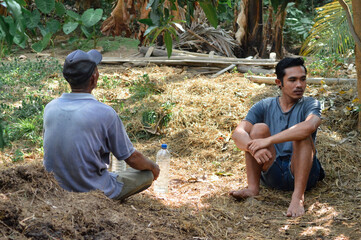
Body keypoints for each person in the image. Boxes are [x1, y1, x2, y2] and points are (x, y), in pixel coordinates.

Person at [43, 49, 160, 201]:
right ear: (94, 78)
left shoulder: (50, 107)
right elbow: (132, 158)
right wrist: (153, 167)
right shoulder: (105, 113)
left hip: (57, 188)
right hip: (93, 192)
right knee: (146, 175)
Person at [229, 57, 325, 217]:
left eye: (303, 79)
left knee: (302, 135)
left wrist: (268, 141)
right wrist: (253, 149)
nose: (299, 85)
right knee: (258, 128)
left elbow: (309, 126)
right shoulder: (264, 105)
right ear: (278, 82)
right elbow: (238, 133)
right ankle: (253, 188)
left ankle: (297, 197)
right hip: (272, 170)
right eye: (292, 80)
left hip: (303, 173)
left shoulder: (311, 104)